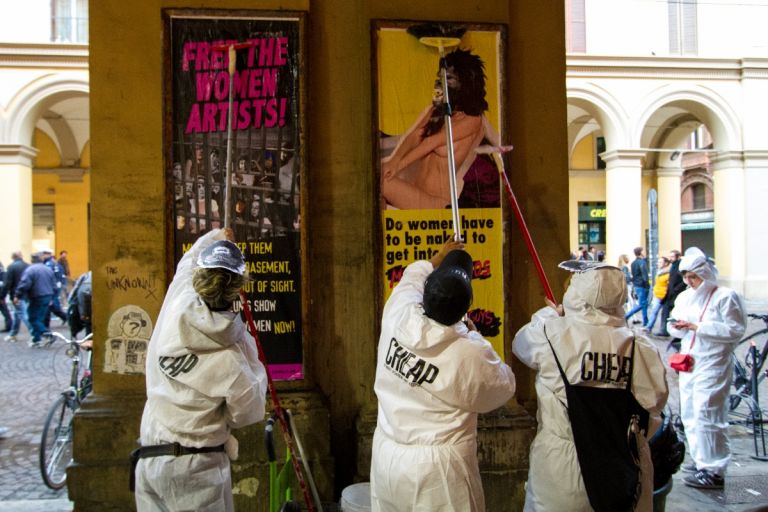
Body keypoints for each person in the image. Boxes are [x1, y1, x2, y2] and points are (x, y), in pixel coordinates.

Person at [370, 239, 516, 511]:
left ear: (425, 294)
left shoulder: (398, 313)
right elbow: (504, 385)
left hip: (388, 454)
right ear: (464, 309)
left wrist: (438, 257)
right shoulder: (468, 354)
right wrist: (475, 335)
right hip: (440, 471)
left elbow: (412, 277)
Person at [513, 263, 668, 512]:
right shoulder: (641, 347)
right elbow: (654, 406)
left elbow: (521, 345)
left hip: (563, 464)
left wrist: (551, 314)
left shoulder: (550, 334)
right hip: (623, 463)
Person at [133, 228, 268, 511]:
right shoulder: (234, 358)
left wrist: (217, 236)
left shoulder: (176, 303)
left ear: (199, 279)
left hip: (151, 458)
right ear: (237, 290)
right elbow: (248, 412)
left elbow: (187, 262)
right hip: (198, 474)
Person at [381, 49, 501, 210]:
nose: (439, 83)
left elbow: (431, 142)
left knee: (381, 181)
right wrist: (394, 161)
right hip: (417, 193)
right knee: (378, 179)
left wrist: (397, 166)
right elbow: (416, 135)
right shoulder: (435, 111)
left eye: (448, 79)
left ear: (465, 83)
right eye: (439, 78)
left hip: (436, 203)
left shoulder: (472, 120)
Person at [668, 247, 747, 490]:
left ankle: (714, 469)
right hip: (690, 362)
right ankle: (701, 460)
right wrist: (680, 327)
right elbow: (673, 325)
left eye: (694, 277)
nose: (690, 282)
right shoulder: (685, 297)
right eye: (687, 277)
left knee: (708, 412)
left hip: (713, 362)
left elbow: (735, 329)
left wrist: (698, 327)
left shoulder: (725, 296)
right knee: (691, 412)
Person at [14, 253, 57, 347]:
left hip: (36, 296)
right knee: (40, 318)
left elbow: (24, 284)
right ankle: (36, 339)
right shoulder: (47, 269)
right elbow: (54, 284)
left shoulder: (30, 270)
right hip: (48, 295)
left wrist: (18, 295)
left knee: (32, 318)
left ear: (32, 260)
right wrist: (53, 297)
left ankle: (47, 334)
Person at [3, 251, 31, 342]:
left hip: (16, 294)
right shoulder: (28, 266)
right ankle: (13, 333)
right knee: (18, 314)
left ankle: (35, 333)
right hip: (27, 293)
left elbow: (8, 283)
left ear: (13, 257)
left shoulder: (11, 267)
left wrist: (2, 295)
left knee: (22, 314)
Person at [657, 250, 684, 338]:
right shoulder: (673, 265)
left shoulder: (680, 266)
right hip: (670, 293)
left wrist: (676, 289)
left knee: (677, 313)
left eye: (672, 256)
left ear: (678, 256)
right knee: (665, 312)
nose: (670, 259)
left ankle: (677, 331)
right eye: (670, 256)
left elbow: (683, 280)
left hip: (676, 293)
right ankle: (664, 330)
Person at [643, 256, 670, 332]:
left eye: (660, 262)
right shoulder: (660, 272)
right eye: (658, 262)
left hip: (663, 295)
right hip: (658, 294)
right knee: (654, 311)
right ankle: (649, 327)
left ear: (666, 263)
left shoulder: (668, 274)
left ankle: (651, 327)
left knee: (658, 312)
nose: (658, 263)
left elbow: (668, 285)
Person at [41, 250, 67, 326]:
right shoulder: (55, 263)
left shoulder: (48, 264)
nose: (42, 256)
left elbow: (47, 275)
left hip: (51, 287)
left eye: (44, 254)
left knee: (50, 304)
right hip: (56, 286)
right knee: (52, 305)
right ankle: (64, 317)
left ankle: (46, 324)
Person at [625, 247, 650, 326]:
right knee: (642, 304)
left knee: (643, 304)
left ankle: (646, 321)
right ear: (641, 252)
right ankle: (627, 315)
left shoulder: (633, 263)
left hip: (637, 285)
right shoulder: (642, 262)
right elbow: (645, 275)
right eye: (643, 251)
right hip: (642, 285)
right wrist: (647, 285)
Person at [67, 271, 92, 338]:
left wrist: (70, 300)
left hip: (83, 296)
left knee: (88, 321)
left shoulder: (86, 275)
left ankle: (89, 342)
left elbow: (76, 289)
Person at [0, 261, 12, 332]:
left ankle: (9, 326)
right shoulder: (3, 273)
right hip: (1, 295)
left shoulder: (3, 274)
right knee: (5, 311)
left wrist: (1, 296)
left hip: (0, 295)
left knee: (5, 312)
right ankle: (9, 326)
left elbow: (3, 285)